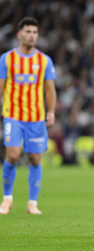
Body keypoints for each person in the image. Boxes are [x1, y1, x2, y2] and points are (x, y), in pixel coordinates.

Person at [0, 17, 57, 214]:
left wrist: (51, 111)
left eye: (35, 32)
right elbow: (1, 87)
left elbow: (50, 89)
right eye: (28, 32)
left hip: (35, 117)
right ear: (19, 34)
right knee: (13, 155)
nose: (32, 35)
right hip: (13, 115)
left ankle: (32, 203)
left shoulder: (44, 60)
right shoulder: (7, 59)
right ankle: (7, 199)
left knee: (34, 158)